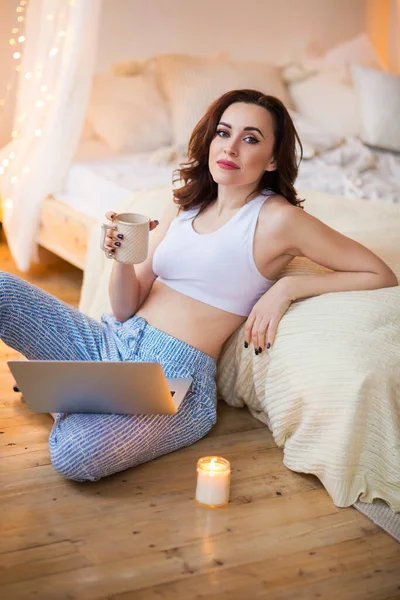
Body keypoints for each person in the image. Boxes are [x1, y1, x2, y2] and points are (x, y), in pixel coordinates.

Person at [2, 89, 397, 482]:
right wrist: (121, 258)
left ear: (274, 158)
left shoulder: (279, 219)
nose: (231, 147)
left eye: (251, 138)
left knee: (73, 455)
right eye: (224, 133)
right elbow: (124, 308)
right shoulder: (184, 203)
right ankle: (70, 391)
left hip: (172, 379)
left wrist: (286, 289)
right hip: (111, 339)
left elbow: (379, 273)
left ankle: (60, 394)